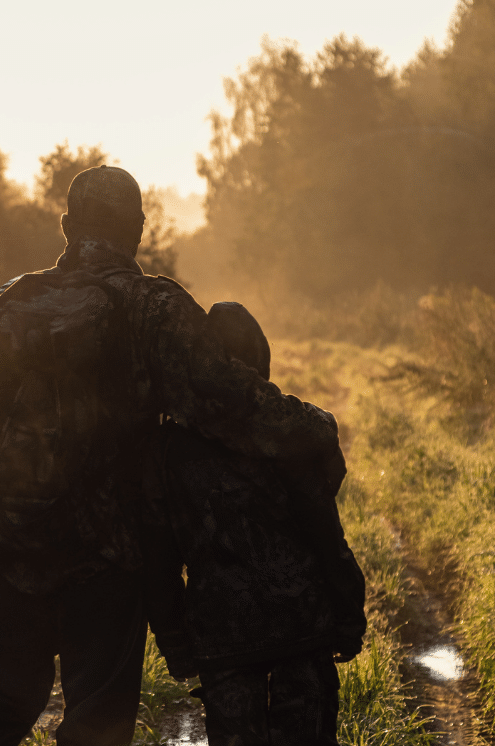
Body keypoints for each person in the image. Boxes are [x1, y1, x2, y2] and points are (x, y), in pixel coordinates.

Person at [0, 166, 342, 746]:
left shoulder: (15, 298)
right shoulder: (151, 306)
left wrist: (16, 473)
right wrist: (314, 426)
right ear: (139, 229)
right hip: (108, 556)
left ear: (68, 225)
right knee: (95, 724)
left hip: (17, 546)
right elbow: (228, 403)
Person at [141, 301, 366, 746]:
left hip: (221, 640)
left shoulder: (167, 453)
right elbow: (326, 535)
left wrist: (175, 642)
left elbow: (158, 562)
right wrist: (348, 615)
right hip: (302, 627)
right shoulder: (289, 436)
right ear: (259, 360)